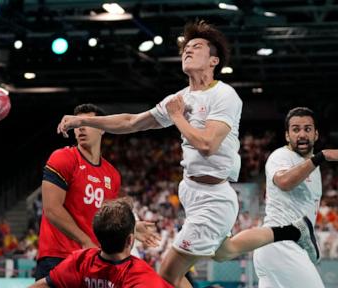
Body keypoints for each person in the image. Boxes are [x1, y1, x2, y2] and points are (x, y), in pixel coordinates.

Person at [57, 21, 318, 287]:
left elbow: (207, 145)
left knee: (165, 276)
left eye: (196, 47)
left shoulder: (224, 95)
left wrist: (177, 118)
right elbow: (132, 122)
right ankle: (291, 231)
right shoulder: (180, 98)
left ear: (213, 60)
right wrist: (85, 122)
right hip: (192, 192)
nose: (188, 51)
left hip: (213, 199)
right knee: (224, 251)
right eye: (185, 48)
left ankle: (292, 231)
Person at [36, 104, 159, 280]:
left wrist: (131, 227)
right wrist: (85, 241)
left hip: (91, 260)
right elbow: (52, 209)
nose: (81, 128)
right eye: (77, 125)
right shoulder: (63, 158)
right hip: (58, 256)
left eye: (87, 123)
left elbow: (106, 217)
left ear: (102, 128)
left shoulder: (112, 175)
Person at [253, 107, 338, 288]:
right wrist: (321, 157)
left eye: (307, 129)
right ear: (287, 135)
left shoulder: (311, 166)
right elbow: (284, 181)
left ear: (316, 134)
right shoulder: (281, 156)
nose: (301, 134)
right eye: (295, 129)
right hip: (281, 245)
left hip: (277, 249)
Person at [30, 198, 173, 288]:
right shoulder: (142, 276)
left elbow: (42, 285)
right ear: (130, 240)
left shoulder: (80, 262)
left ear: (98, 238)